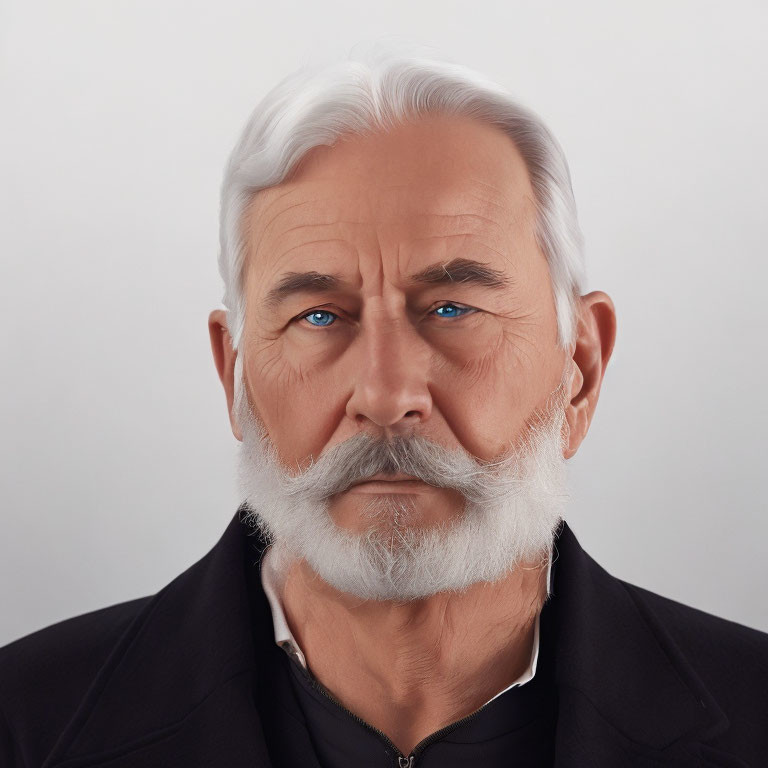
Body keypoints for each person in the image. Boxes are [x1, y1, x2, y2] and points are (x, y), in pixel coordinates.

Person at [2, 46, 766, 768]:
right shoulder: (25, 724)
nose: (386, 396)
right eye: (319, 317)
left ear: (581, 369)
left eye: (453, 309)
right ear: (233, 375)